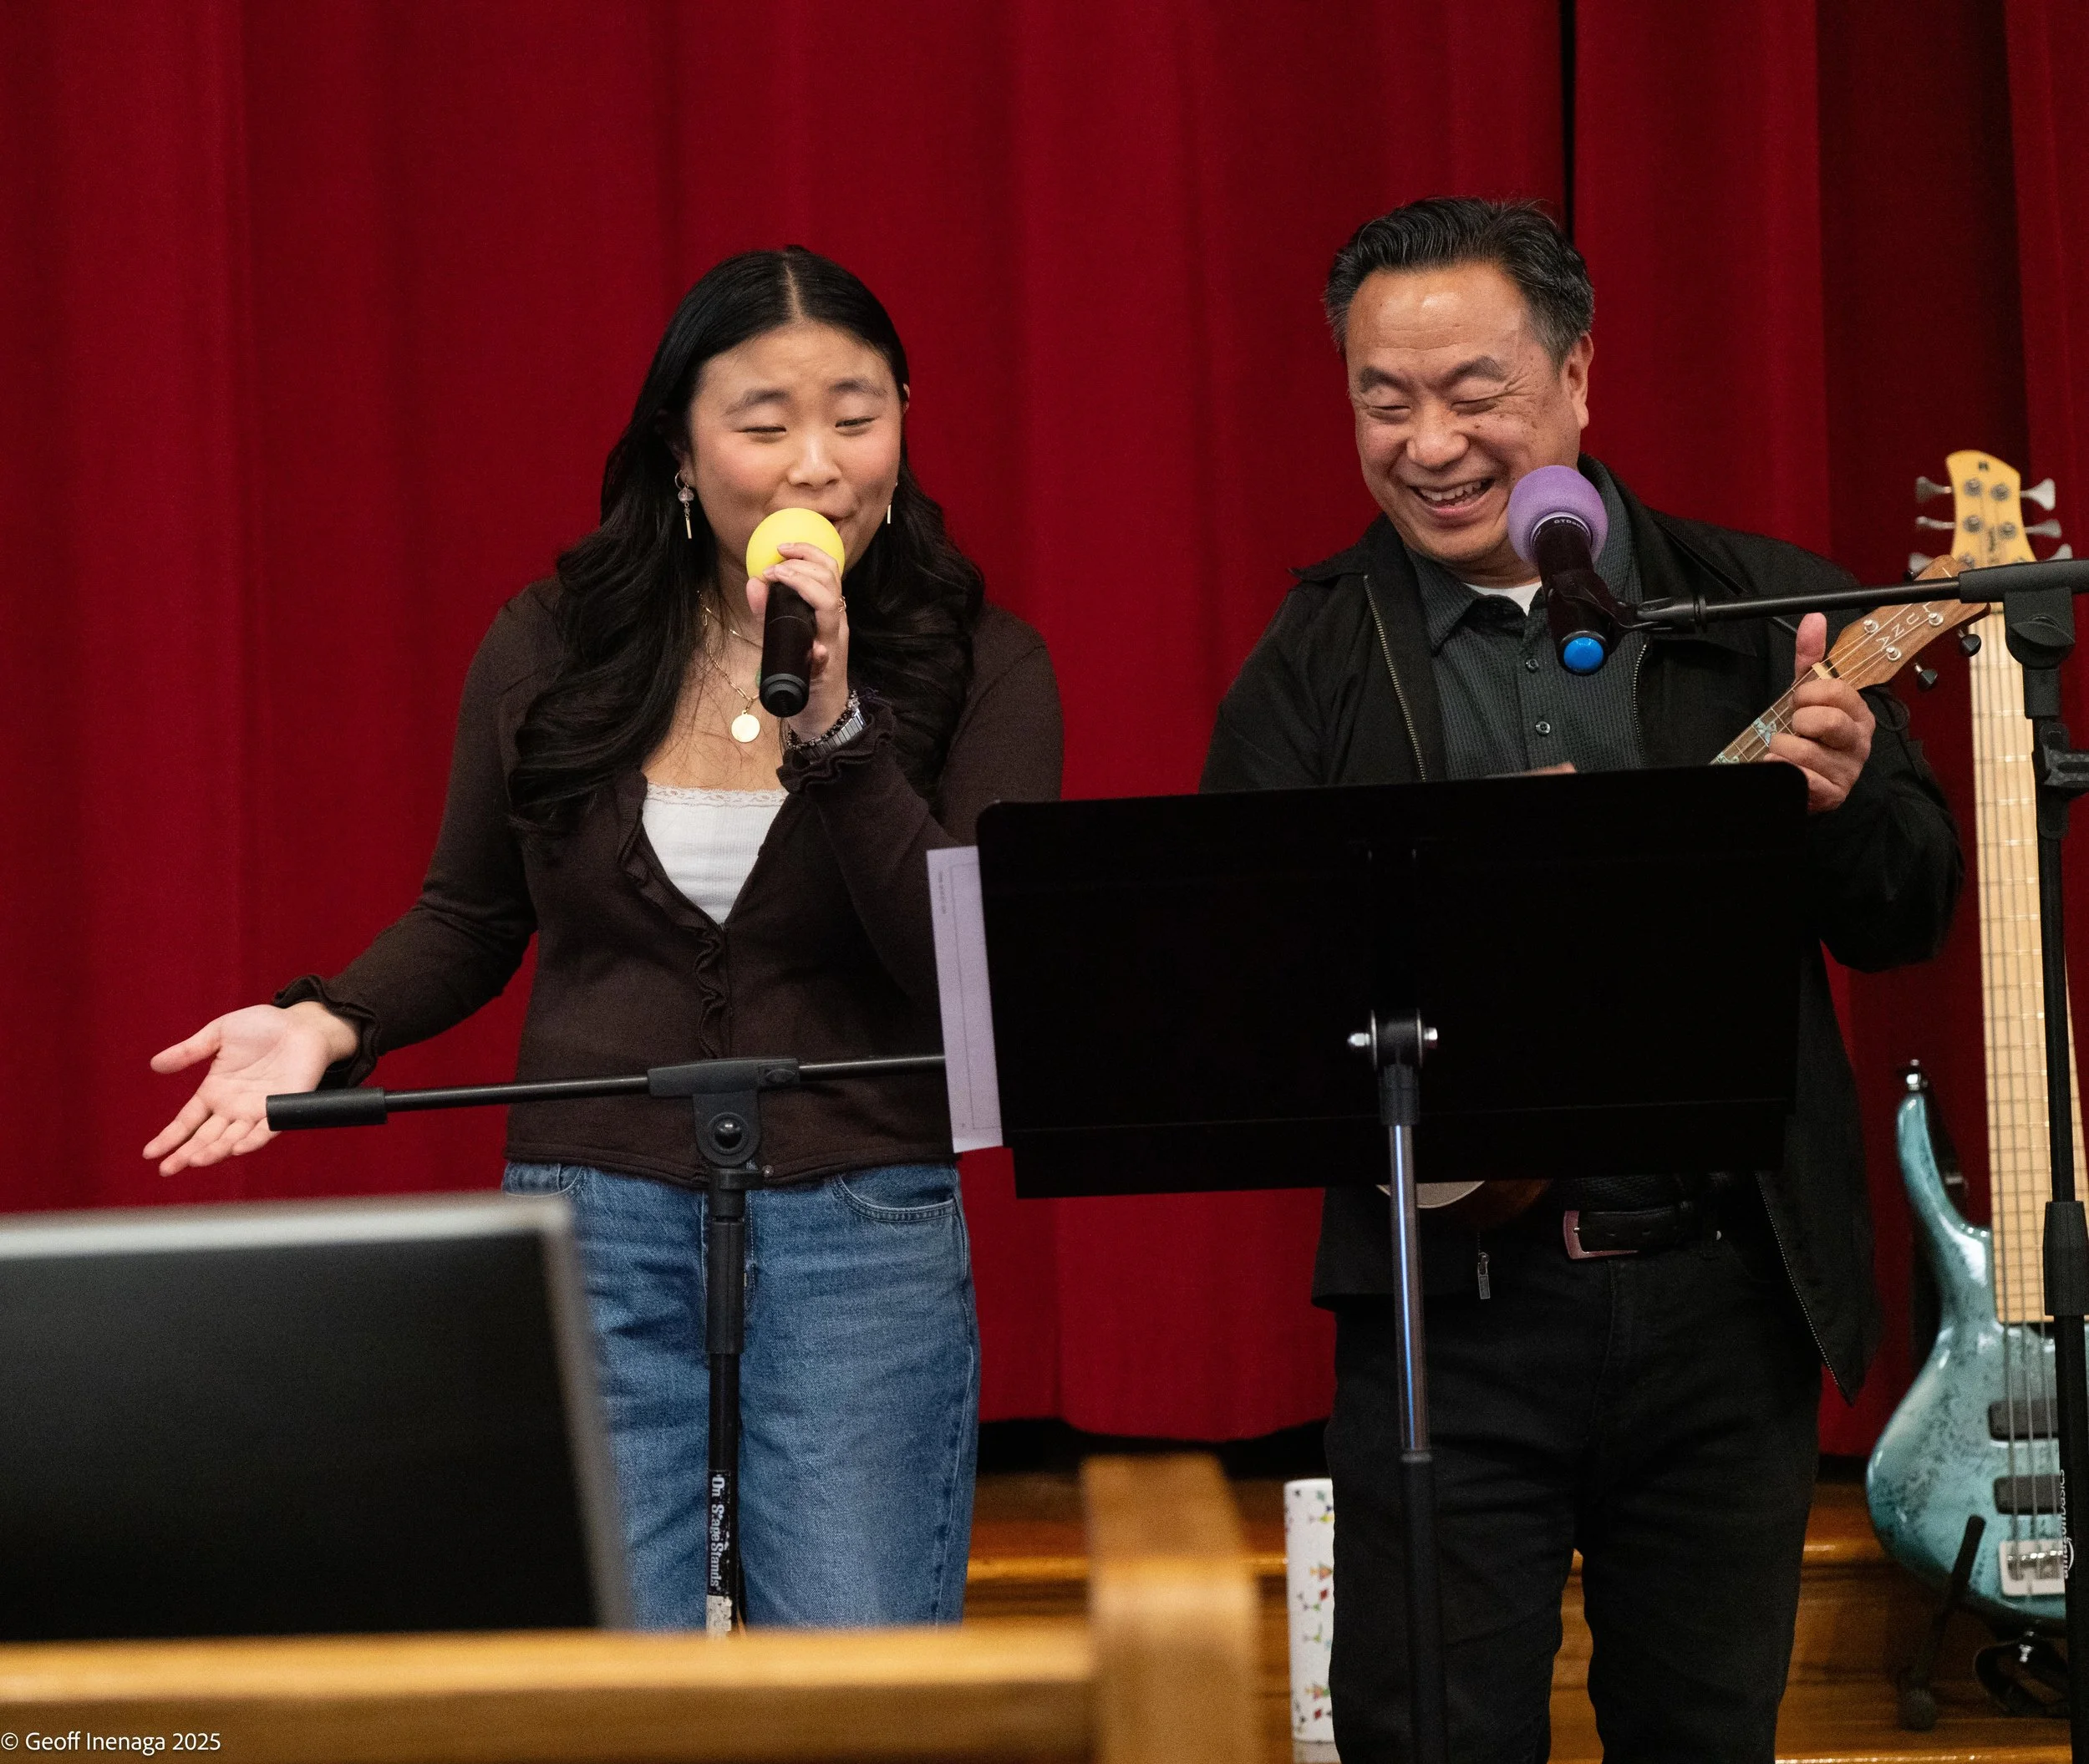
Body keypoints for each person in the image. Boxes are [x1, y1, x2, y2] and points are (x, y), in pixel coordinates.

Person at [145, 246, 1064, 1630]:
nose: (816, 463)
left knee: (855, 1674)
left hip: (861, 1224)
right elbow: (469, 910)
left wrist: (841, 735)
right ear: (682, 454)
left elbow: (969, 964)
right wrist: (330, 1019)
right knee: (608, 1669)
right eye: (764, 424)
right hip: (598, 1214)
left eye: (857, 416)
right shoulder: (556, 642)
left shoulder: (985, 659)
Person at [1202, 198, 1959, 1761]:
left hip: (1720, 1300)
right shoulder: (1311, 666)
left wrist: (1842, 802)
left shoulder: (1759, 614)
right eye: (1382, 398)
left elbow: (1907, 912)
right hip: (1450, 1324)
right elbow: (1241, 1004)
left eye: (1474, 391)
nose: (1429, 443)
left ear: (1577, 377)